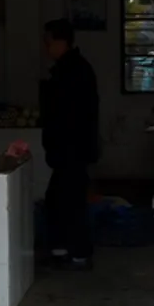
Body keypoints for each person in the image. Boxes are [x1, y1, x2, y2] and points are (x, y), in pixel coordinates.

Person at [40, 18, 100, 269]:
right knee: (60, 200)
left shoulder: (72, 72)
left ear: (60, 41)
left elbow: (67, 115)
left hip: (71, 149)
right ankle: (64, 251)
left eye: (48, 41)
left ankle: (78, 254)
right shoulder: (74, 69)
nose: (46, 47)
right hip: (71, 149)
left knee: (70, 202)